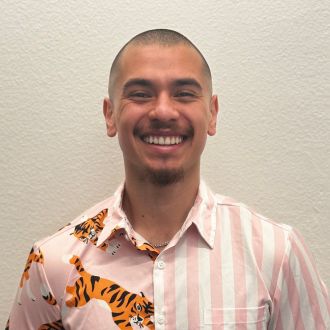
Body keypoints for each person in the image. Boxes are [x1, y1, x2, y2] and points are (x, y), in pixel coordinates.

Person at [7, 29, 329, 330]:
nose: (163, 111)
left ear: (212, 113)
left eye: (185, 93)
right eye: (141, 94)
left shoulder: (277, 255)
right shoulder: (51, 264)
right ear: (110, 115)